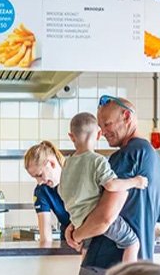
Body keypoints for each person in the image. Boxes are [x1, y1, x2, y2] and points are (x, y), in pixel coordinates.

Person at [65, 95, 160, 275]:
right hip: (139, 269)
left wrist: (77, 234)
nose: (103, 131)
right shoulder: (154, 159)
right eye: (100, 126)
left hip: (104, 265)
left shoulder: (127, 155)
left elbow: (106, 217)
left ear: (127, 117)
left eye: (108, 124)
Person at [59, 112, 148, 262]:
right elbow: (111, 185)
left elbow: (62, 191)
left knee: (87, 251)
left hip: (78, 221)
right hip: (96, 218)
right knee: (132, 243)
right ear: (99, 134)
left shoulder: (67, 163)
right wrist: (136, 181)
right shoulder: (97, 160)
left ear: (71, 136)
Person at [23, 141, 71, 245]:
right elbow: (46, 238)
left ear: (52, 163)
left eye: (40, 175)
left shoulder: (77, 176)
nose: (39, 182)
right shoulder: (42, 191)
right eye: (35, 177)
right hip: (69, 240)